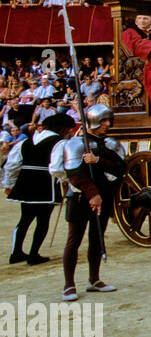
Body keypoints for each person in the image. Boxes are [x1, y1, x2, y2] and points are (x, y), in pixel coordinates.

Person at [52, 104, 126, 302]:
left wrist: (98, 160)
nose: (108, 124)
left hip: (104, 196)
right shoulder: (75, 144)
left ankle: (94, 279)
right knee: (73, 241)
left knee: (97, 239)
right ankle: (69, 285)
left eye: (109, 120)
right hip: (80, 197)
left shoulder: (110, 144)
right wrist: (93, 194)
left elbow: (119, 167)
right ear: (93, 121)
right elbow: (74, 174)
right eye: (103, 121)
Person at [4, 112, 77, 266]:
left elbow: (12, 165)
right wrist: (65, 180)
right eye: (68, 130)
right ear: (62, 129)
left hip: (25, 183)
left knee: (24, 219)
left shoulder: (25, 142)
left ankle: (15, 252)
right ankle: (33, 254)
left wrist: (9, 184)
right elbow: (56, 167)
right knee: (42, 221)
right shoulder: (59, 143)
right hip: (45, 184)